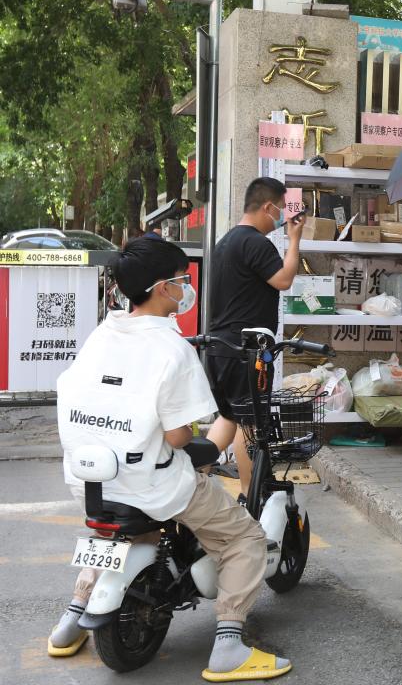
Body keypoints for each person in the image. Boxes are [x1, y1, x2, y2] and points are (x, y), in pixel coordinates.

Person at [51, 236, 291, 681]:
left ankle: (71, 618)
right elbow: (180, 436)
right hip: (153, 482)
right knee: (244, 540)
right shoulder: (172, 349)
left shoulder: (102, 332)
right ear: (163, 287)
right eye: (182, 279)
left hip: (93, 480)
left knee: (124, 537)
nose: (186, 287)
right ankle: (228, 646)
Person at [205, 177, 304, 500]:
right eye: (279, 209)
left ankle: (191, 478)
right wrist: (294, 238)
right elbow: (284, 279)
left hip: (220, 349)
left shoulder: (225, 242)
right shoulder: (255, 242)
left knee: (229, 417)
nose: (280, 217)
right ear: (267, 206)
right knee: (249, 425)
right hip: (247, 352)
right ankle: (250, 498)